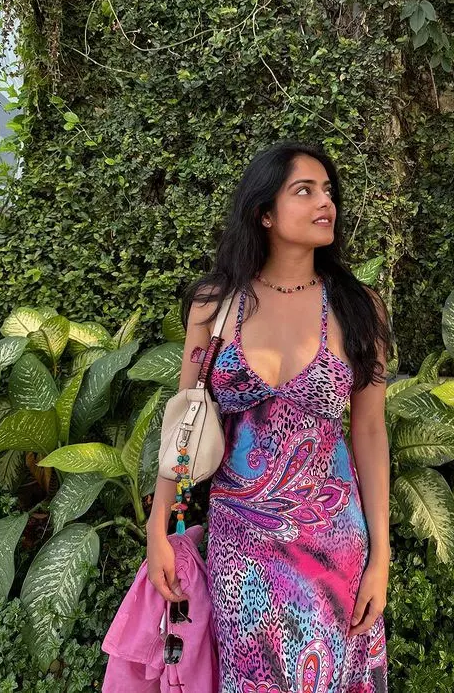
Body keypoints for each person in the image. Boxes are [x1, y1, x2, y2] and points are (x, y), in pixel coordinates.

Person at [146, 140, 393, 692]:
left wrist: (381, 554)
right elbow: (185, 426)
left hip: (335, 543)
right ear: (264, 212)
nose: (325, 202)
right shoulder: (215, 304)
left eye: (327, 191)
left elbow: (370, 432)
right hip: (242, 549)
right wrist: (158, 527)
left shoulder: (358, 306)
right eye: (304, 191)